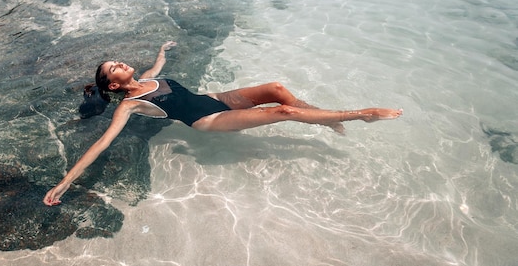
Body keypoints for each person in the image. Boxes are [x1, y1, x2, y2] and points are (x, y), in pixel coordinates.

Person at [43, 41, 402, 206]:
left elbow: (157, 71)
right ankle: (358, 114)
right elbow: (101, 144)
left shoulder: (148, 80)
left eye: (117, 61)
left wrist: (162, 52)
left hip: (214, 99)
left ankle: (322, 121)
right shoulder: (130, 106)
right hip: (208, 118)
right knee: (281, 111)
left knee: (276, 89)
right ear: (114, 86)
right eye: (114, 68)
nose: (120, 63)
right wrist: (63, 184)